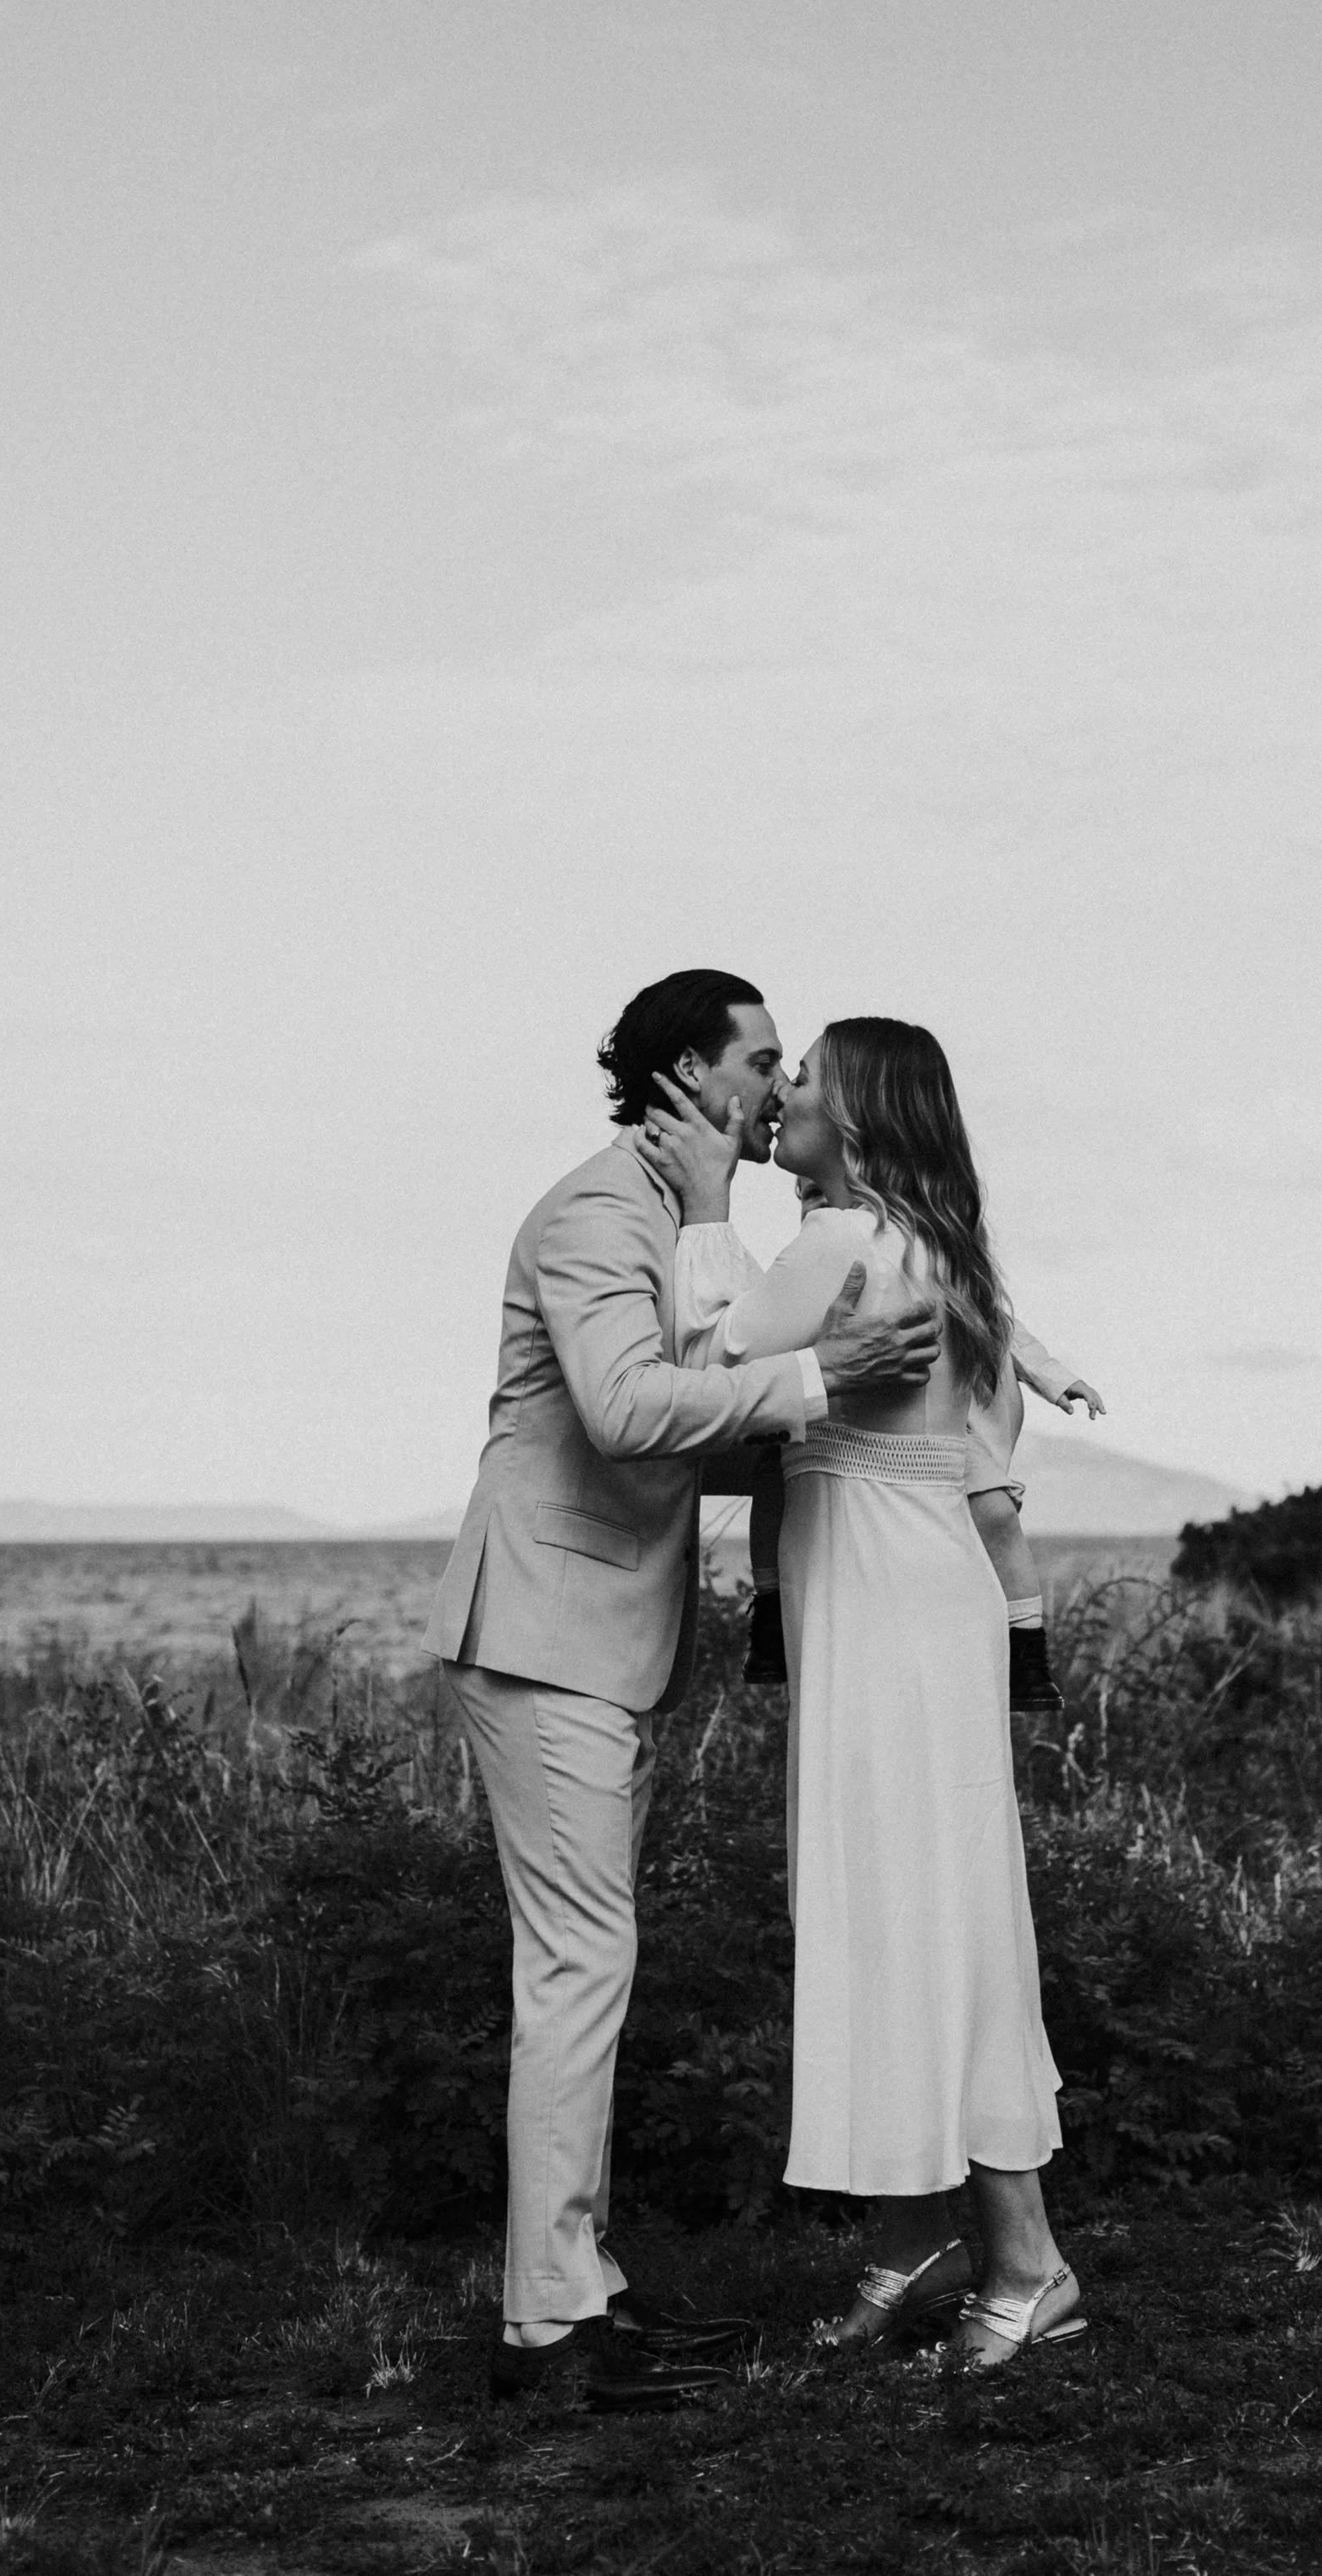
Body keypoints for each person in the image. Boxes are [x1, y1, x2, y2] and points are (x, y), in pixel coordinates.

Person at [422, 970, 942, 2411]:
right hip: (543, 1635)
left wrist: (848, 1438)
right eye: (762, 1061)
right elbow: (626, 1409)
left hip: (595, 1638)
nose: (779, 1088)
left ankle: (581, 2290)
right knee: (577, 1970)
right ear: (688, 1077)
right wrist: (822, 1381)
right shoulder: (598, 1216)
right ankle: (549, 2330)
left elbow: (694, 1418)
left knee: (589, 1966)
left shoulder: (675, 1219)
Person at [642, 1018, 1086, 2373]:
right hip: (916, 1597)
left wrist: (705, 1204)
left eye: (812, 1079)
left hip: (889, 1608)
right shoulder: (930, 1243)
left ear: (865, 1119)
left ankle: (1030, 2263)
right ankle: (916, 2239)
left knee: (917, 1916)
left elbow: (704, 1357)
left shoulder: (840, 1240)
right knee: (908, 1910)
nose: (785, 1095)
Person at [742, 1184, 1105, 1712]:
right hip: (836, 1434)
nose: (814, 1206)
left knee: (996, 1514)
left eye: (823, 1192)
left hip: (936, 1430)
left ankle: (1026, 1649)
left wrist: (1058, 1379)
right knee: (770, 1479)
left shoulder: (914, 1261)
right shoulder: (809, 1270)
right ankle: (770, 1613)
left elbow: (1001, 1326)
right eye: (805, 1197)